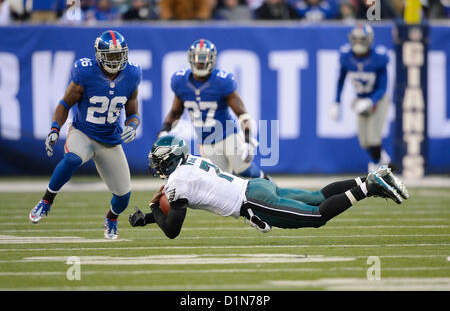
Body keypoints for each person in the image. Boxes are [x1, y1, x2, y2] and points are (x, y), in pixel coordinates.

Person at [128, 135, 409, 238]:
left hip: (252, 202)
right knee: (316, 196)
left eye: (158, 162)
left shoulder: (177, 181)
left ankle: (370, 185)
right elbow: (181, 205)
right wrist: (148, 220)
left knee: (316, 217)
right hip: (257, 187)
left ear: (169, 161)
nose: (156, 167)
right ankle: (369, 178)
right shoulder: (191, 161)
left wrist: (154, 206)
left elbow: (173, 229)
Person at [29, 30, 142, 240]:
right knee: (72, 159)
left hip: (109, 140)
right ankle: (46, 201)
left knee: (123, 196)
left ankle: (111, 218)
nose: (116, 60)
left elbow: (133, 113)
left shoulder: (132, 75)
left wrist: (132, 126)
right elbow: (64, 104)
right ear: (99, 56)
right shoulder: (85, 73)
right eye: (111, 55)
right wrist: (55, 129)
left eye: (119, 55)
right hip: (84, 132)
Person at [157, 39, 270, 180]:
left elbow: (243, 115)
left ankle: (269, 182)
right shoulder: (180, 82)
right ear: (190, 59)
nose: (200, 63)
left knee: (244, 170)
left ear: (212, 60)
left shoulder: (222, 81)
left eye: (204, 59)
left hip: (228, 135)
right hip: (205, 141)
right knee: (221, 181)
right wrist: (164, 130)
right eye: (198, 59)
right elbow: (175, 112)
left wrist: (247, 140)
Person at [329, 24, 393, 172]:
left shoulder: (378, 58)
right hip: (359, 99)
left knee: (373, 138)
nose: (358, 43)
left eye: (361, 39)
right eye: (355, 39)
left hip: (378, 99)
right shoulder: (346, 57)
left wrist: (371, 101)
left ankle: (375, 166)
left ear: (369, 40)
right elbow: (340, 80)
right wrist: (336, 102)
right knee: (364, 142)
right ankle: (383, 158)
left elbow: (383, 87)